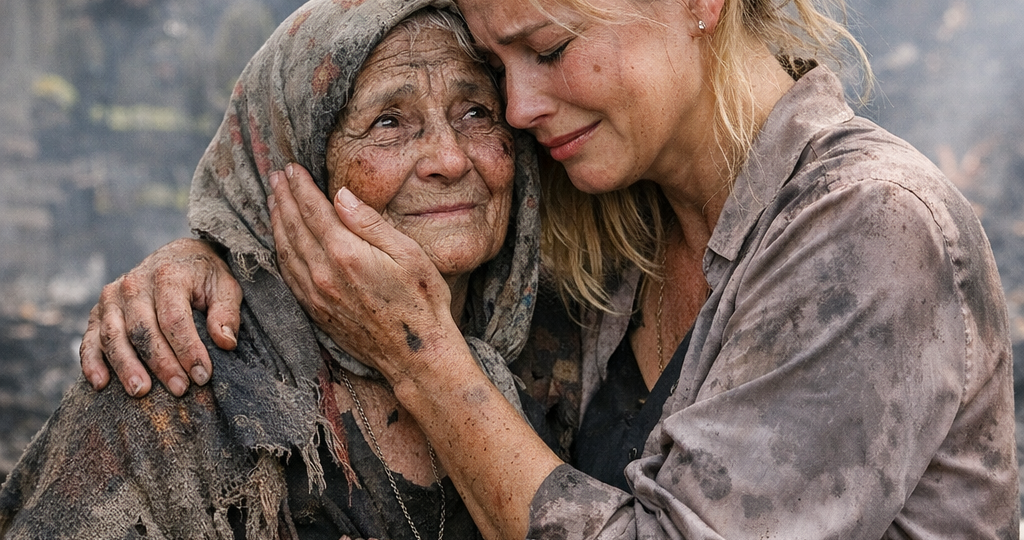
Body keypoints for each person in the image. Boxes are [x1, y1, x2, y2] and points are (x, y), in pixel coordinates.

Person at [79, 0, 1020, 537]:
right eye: (501, 67)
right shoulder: (598, 203)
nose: (521, 106)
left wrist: (424, 358)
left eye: (552, 48)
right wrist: (214, 253)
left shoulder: (870, 228)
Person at [0, 0, 548, 538]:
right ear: (295, 162)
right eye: (388, 121)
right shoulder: (182, 386)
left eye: (475, 112)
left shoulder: (552, 340)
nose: (450, 161)